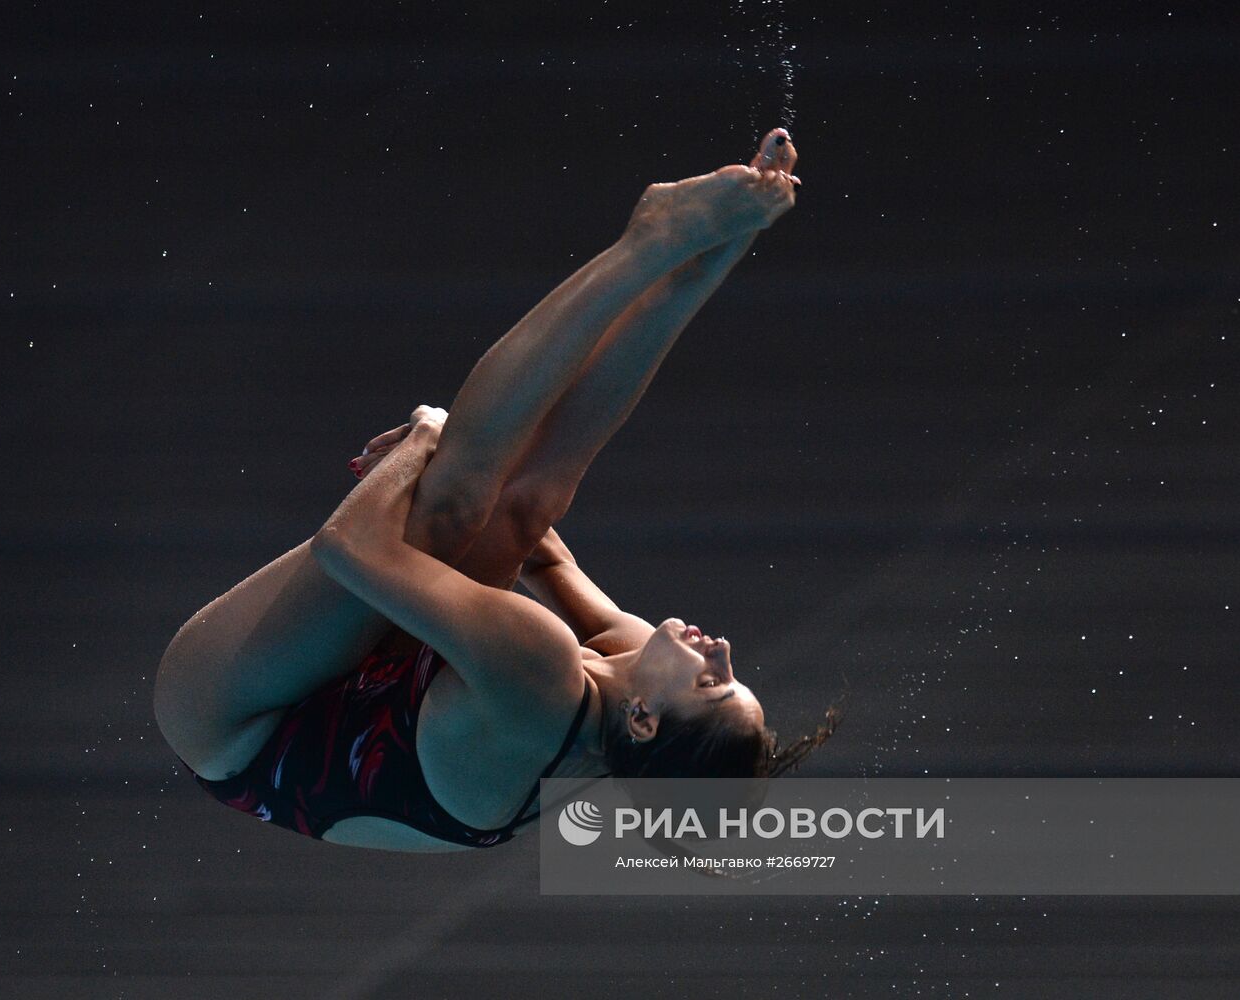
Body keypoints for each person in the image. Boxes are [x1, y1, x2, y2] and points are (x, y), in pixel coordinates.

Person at [154, 127, 835, 853]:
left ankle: (644, 241)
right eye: (732, 674)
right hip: (372, 697)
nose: (721, 652)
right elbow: (546, 551)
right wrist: (728, 240)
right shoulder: (630, 682)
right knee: (523, 507)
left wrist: (424, 437)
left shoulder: (538, 675)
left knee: (445, 508)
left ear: (642, 720)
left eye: (711, 684)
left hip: (241, 725)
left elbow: (349, 549)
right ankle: (679, 254)